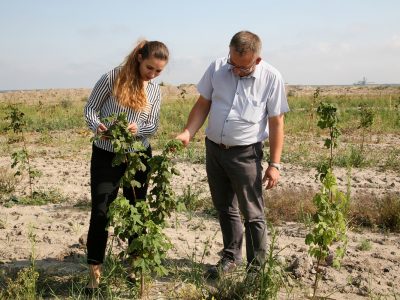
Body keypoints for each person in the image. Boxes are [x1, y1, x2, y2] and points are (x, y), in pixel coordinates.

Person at [176, 31, 289, 278]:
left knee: (252, 212)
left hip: (246, 154)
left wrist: (275, 164)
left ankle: (256, 270)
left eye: (243, 67)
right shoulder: (217, 67)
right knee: (224, 207)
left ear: (256, 60)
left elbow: (276, 121)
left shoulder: (271, 77)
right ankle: (230, 257)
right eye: (233, 63)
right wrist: (188, 132)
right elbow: (203, 103)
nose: (236, 70)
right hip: (214, 149)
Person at [83, 40, 169, 291]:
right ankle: (93, 280)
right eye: (149, 68)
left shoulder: (154, 90)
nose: (152, 74)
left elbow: (153, 125)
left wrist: (138, 129)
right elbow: (91, 109)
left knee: (137, 211)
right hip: (106, 154)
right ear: (139, 57)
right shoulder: (112, 78)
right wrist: (98, 127)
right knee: (100, 212)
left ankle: (135, 270)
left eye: (158, 71)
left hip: (138, 157)